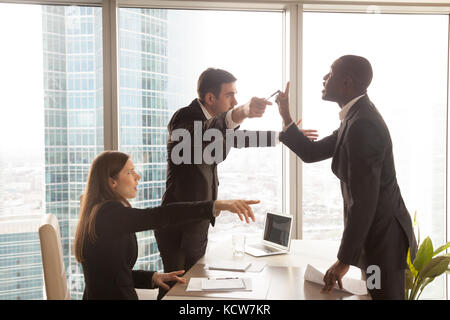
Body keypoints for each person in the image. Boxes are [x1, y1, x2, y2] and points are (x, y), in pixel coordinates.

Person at [155, 67, 317, 299]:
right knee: (174, 290)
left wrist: (282, 136)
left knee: (190, 290)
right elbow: (207, 133)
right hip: (177, 225)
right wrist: (241, 112)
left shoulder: (212, 125)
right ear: (210, 98)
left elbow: (237, 137)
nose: (235, 100)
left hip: (197, 221)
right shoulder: (186, 117)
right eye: (230, 95)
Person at [275, 55, 417, 300]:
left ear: (347, 83)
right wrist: (286, 116)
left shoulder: (363, 125)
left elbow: (364, 201)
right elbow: (312, 152)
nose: (324, 78)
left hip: (383, 244)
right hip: (374, 240)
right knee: (373, 295)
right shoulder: (354, 118)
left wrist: (343, 261)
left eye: (330, 74)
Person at [73, 150, 259, 300]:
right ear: (112, 182)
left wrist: (152, 277)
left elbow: (111, 274)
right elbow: (160, 215)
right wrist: (214, 205)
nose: (137, 176)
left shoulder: (101, 213)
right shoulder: (109, 215)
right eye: (129, 172)